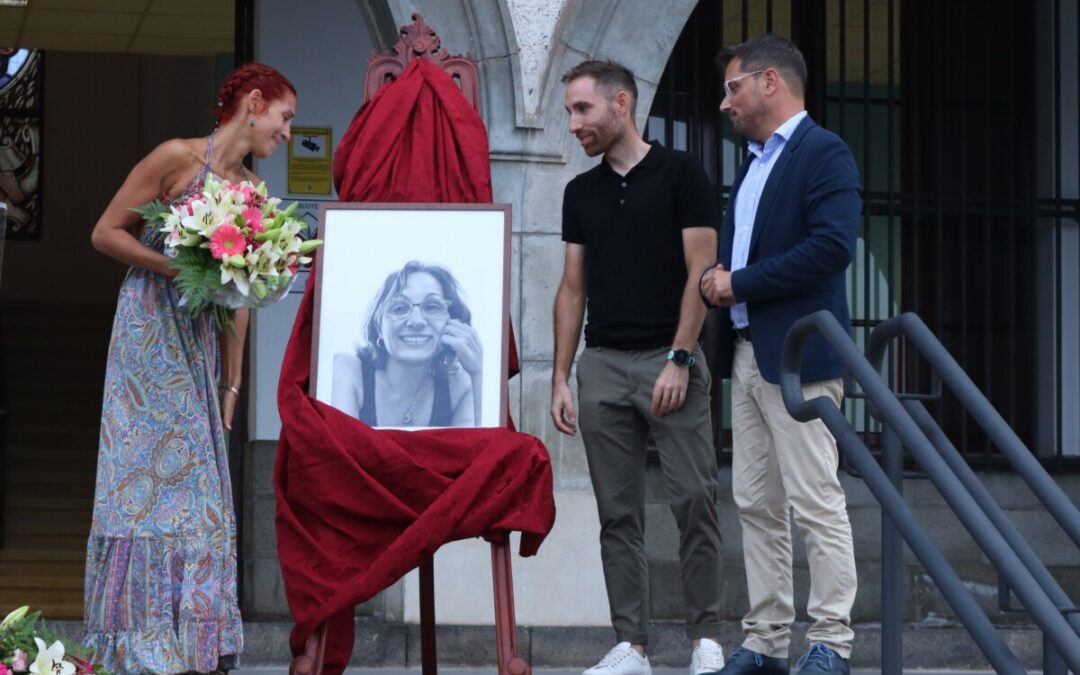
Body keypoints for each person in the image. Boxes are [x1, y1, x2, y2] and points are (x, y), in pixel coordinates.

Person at [85, 62, 296, 674]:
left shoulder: (255, 196)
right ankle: (134, 645)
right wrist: (178, 267)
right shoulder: (174, 157)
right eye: (284, 117)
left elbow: (242, 301)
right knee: (138, 487)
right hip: (148, 334)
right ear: (253, 104)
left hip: (201, 347)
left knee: (200, 493)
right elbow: (104, 232)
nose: (286, 132)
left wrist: (232, 386)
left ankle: (193, 647)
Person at [551, 59, 725, 675]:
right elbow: (573, 289)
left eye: (582, 109)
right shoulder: (581, 192)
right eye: (570, 111)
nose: (573, 124)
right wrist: (561, 377)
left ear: (620, 103)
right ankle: (634, 647)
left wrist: (680, 357)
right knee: (616, 514)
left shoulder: (681, 174)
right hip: (601, 364)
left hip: (668, 357)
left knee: (694, 501)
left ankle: (705, 639)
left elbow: (700, 277)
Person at [700, 35, 861, 675]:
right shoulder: (755, 161)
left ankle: (831, 643)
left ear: (771, 82)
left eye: (733, 87)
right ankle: (766, 641)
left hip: (800, 361)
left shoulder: (824, 152)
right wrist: (725, 276)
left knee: (815, 501)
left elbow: (831, 249)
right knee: (755, 505)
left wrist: (739, 282)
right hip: (746, 354)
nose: (724, 102)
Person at [332, 260, 483, 427]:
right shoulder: (347, 371)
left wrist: (478, 373)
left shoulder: (458, 388)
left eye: (432, 307)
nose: (416, 321)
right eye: (399, 308)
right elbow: (341, 448)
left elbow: (479, 448)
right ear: (378, 327)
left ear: (453, 323)